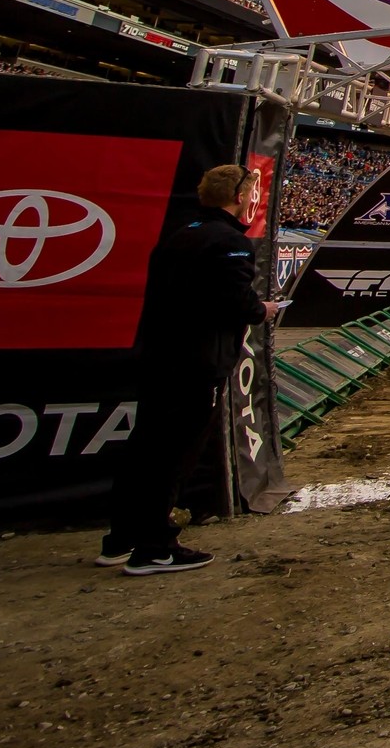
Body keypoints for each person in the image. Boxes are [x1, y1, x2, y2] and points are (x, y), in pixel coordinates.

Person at [99, 165, 280, 575]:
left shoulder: (180, 234)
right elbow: (237, 302)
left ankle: (121, 539)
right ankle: (154, 547)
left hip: (159, 356)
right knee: (173, 456)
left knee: (145, 449)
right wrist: (262, 310)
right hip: (196, 364)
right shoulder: (230, 242)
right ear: (241, 198)